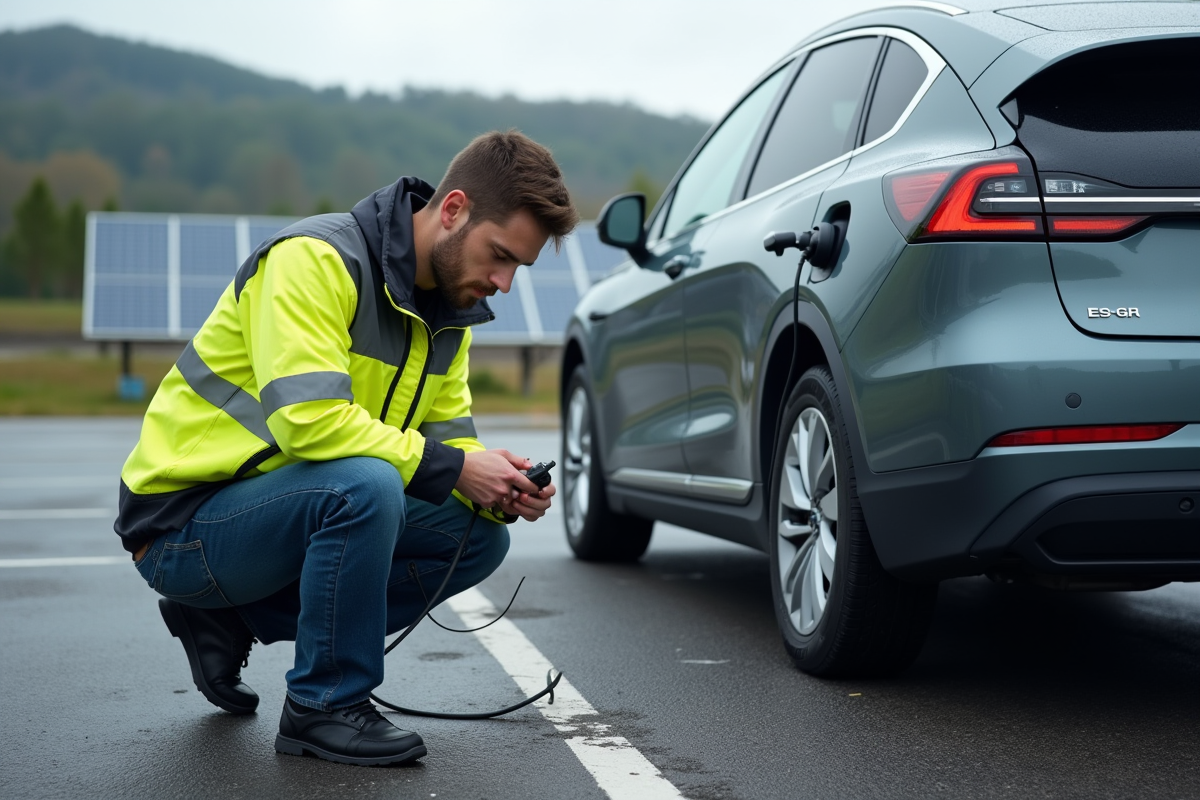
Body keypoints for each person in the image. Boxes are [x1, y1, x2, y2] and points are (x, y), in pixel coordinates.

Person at [115, 130, 579, 766]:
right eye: (499, 255)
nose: (503, 282)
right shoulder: (315, 259)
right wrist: (452, 467)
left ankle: (232, 622)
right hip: (181, 526)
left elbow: (448, 446)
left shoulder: (447, 316)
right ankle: (323, 705)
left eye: (517, 268)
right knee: (367, 485)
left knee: (476, 536)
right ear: (453, 210)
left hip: (287, 508)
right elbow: (309, 424)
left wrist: (498, 487)